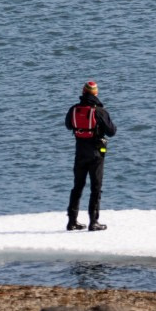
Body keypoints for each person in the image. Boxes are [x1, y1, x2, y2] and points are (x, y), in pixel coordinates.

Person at [65, 80, 116, 231]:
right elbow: (112, 132)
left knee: (77, 186)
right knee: (96, 187)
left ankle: (72, 221)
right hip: (96, 154)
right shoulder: (100, 112)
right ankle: (94, 221)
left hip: (80, 153)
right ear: (96, 93)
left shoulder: (74, 109)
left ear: (83, 92)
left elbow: (68, 126)